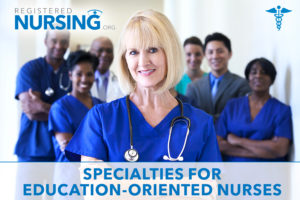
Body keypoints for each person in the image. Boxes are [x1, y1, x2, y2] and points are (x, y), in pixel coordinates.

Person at [65, 9, 221, 162]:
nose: (143, 62)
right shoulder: (101, 118)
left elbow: (208, 186)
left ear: (170, 54)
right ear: (124, 59)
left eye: (152, 50)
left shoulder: (201, 124)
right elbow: (95, 186)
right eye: (133, 52)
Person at [216, 58, 293, 161]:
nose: (258, 76)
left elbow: (280, 149)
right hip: (233, 173)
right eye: (254, 72)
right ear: (248, 77)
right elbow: (218, 143)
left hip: (269, 174)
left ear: (272, 79)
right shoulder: (232, 106)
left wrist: (238, 140)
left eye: (264, 73)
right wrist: (266, 150)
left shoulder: (282, 110)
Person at [15, 30, 71, 161]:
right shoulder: (30, 69)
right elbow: (32, 111)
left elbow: (79, 112)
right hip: (32, 149)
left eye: (63, 42)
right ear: (45, 42)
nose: (58, 46)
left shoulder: (74, 71)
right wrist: (64, 116)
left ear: (68, 44)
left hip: (63, 150)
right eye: (54, 41)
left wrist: (42, 105)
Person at [48, 50, 104, 161]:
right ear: (70, 75)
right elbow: (71, 151)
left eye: (89, 74)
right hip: (69, 173)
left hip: (96, 172)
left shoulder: (101, 106)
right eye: (79, 74)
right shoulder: (60, 108)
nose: (84, 79)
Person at [186, 32, 251, 122]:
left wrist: (204, 119)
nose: (215, 56)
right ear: (205, 55)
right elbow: (190, 116)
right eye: (210, 52)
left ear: (230, 54)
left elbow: (240, 115)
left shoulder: (242, 84)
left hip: (230, 135)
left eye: (220, 51)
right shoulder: (193, 87)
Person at [89, 36, 124, 102]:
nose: (105, 54)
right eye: (100, 50)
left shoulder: (121, 83)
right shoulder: (82, 82)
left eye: (109, 51)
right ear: (90, 53)